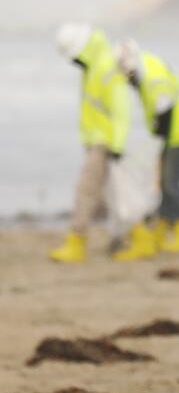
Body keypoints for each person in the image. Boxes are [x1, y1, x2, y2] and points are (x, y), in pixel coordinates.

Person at [47, 23, 132, 263]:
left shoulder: (105, 67)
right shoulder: (92, 68)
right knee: (109, 196)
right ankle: (121, 239)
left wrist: (117, 145)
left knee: (85, 191)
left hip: (104, 142)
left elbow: (120, 109)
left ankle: (77, 242)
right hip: (95, 139)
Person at [122, 39, 179, 255]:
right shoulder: (144, 66)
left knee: (169, 181)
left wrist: (160, 145)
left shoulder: (153, 77)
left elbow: (165, 113)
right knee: (165, 181)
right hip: (170, 129)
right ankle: (163, 228)